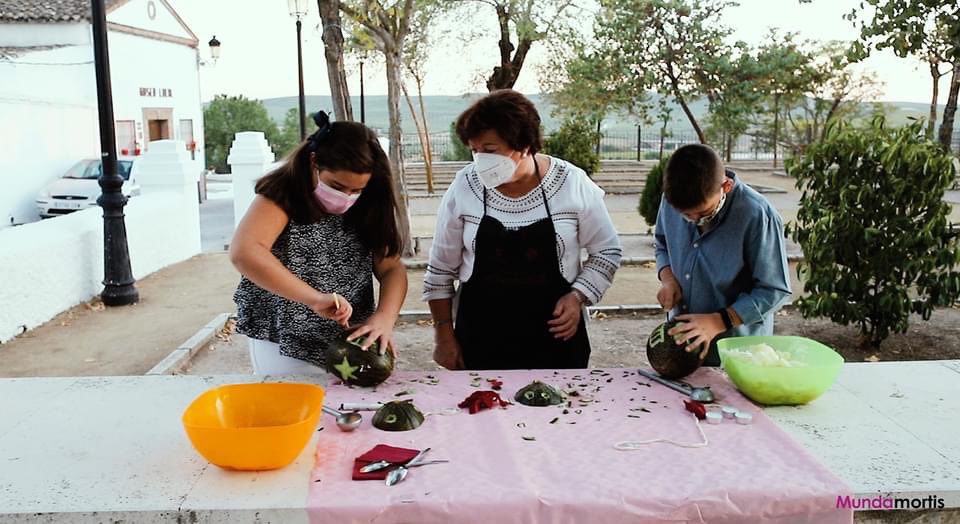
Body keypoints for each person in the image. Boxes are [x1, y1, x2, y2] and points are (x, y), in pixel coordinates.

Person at [424, 90, 622, 370]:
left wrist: (578, 296)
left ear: (525, 145)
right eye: (474, 150)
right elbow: (440, 270)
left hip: (556, 339)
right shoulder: (464, 186)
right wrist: (444, 336)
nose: (480, 159)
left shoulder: (572, 183)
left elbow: (607, 252)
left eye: (490, 150)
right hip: (480, 339)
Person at [230, 111, 407, 375]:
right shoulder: (282, 193)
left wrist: (385, 317)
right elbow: (245, 252)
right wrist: (314, 299)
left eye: (356, 190)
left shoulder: (373, 198)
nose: (346, 197)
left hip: (350, 335)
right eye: (337, 185)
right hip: (285, 338)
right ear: (314, 162)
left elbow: (391, 267)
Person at [654, 143, 791, 366]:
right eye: (685, 215)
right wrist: (668, 279)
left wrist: (719, 321)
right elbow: (662, 244)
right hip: (683, 349)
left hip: (738, 353)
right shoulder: (672, 200)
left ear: (725, 186)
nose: (693, 220)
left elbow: (774, 290)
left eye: (702, 213)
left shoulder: (756, 214)